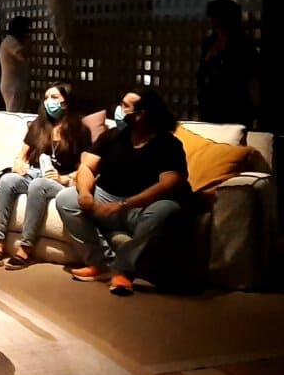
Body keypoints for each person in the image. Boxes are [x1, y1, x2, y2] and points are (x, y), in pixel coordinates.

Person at [54, 87, 189, 295]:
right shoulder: (113, 136)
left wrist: (124, 205)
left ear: (141, 115)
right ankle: (101, 263)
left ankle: (124, 270)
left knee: (166, 209)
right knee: (66, 198)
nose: (119, 110)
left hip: (142, 208)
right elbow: (87, 166)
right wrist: (85, 193)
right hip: (106, 199)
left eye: (125, 106)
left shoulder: (168, 143)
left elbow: (169, 183)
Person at [0, 82, 91, 269]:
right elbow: (22, 155)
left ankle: (26, 247)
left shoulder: (80, 131)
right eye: (46, 98)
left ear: (66, 102)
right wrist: (19, 164)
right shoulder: (38, 125)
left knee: (38, 185)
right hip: (35, 172)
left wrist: (64, 178)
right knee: (8, 180)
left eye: (54, 97)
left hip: (59, 179)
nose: (49, 102)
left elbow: (86, 168)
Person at [197, 0, 258, 126]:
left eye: (214, 17)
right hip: (209, 107)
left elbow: (246, 76)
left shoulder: (243, 45)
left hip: (233, 108)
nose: (211, 21)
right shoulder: (209, 42)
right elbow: (202, 72)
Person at [0, 16, 30, 112]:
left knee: (15, 111)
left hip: (14, 84)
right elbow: (21, 56)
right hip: (13, 85)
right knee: (13, 113)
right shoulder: (11, 41)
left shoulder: (10, 41)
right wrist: (27, 43)